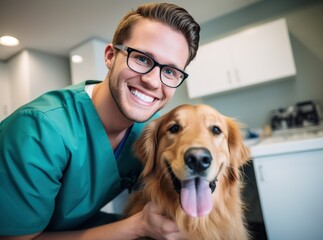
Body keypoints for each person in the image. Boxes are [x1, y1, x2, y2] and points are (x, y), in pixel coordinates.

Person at [0, 2, 200, 239]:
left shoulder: (153, 131)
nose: (153, 82)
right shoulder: (38, 131)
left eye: (170, 72)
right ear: (110, 56)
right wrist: (139, 226)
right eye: (143, 59)